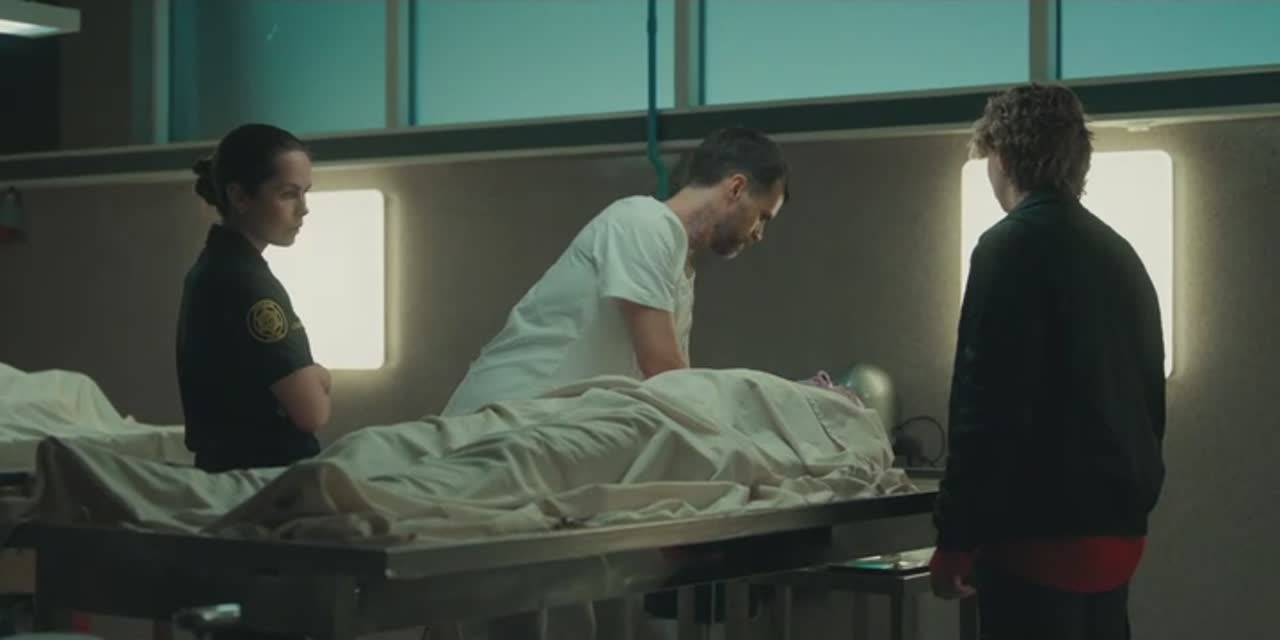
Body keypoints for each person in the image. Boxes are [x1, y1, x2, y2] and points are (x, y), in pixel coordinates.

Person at [929, 84, 1166, 640]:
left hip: (1036, 539)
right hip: (1118, 532)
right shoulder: (1120, 253)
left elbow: (986, 403)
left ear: (1001, 156)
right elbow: (1149, 400)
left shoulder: (1008, 246)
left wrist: (956, 536)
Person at [442, 126, 790, 417]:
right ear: (736, 187)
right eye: (762, 217)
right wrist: (757, 410)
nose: (759, 234)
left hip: (549, 426)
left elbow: (674, 386)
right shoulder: (643, 222)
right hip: (502, 417)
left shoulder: (678, 262)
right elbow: (665, 372)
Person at [176, 123, 332, 473]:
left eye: (305, 193)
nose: (303, 209)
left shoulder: (214, 269)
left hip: (239, 470)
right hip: (267, 478)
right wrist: (321, 377)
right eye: (288, 194)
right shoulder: (247, 284)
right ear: (240, 196)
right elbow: (313, 413)